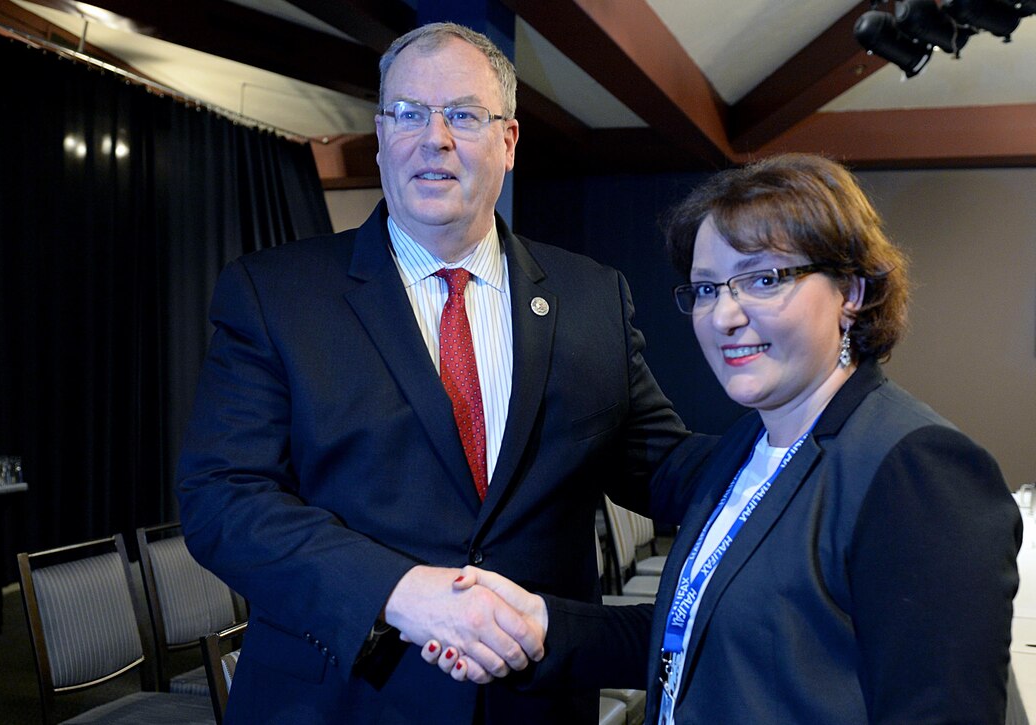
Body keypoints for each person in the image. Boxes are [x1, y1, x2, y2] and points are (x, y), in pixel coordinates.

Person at [175, 20, 710, 724]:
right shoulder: (275, 294)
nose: (436, 137)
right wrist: (395, 589)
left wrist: (799, 453)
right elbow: (223, 498)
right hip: (339, 697)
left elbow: (664, 466)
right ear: (380, 131)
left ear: (509, 141)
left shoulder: (591, 297)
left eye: (463, 113)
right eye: (409, 113)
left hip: (532, 701)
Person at [425, 153, 1023, 724]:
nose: (724, 315)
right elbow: (708, 633)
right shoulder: (744, 450)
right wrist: (541, 624)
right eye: (707, 288)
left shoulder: (916, 469)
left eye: (762, 279)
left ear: (851, 292)